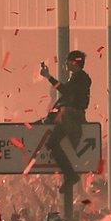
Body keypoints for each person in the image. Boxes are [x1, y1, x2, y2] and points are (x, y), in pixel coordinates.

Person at [39, 50, 91, 191]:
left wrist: (49, 77)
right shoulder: (77, 78)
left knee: (53, 143)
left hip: (71, 119)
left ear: (74, 62)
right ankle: (70, 175)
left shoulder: (81, 78)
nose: (65, 64)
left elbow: (65, 90)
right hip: (68, 117)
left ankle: (70, 175)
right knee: (53, 144)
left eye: (67, 61)